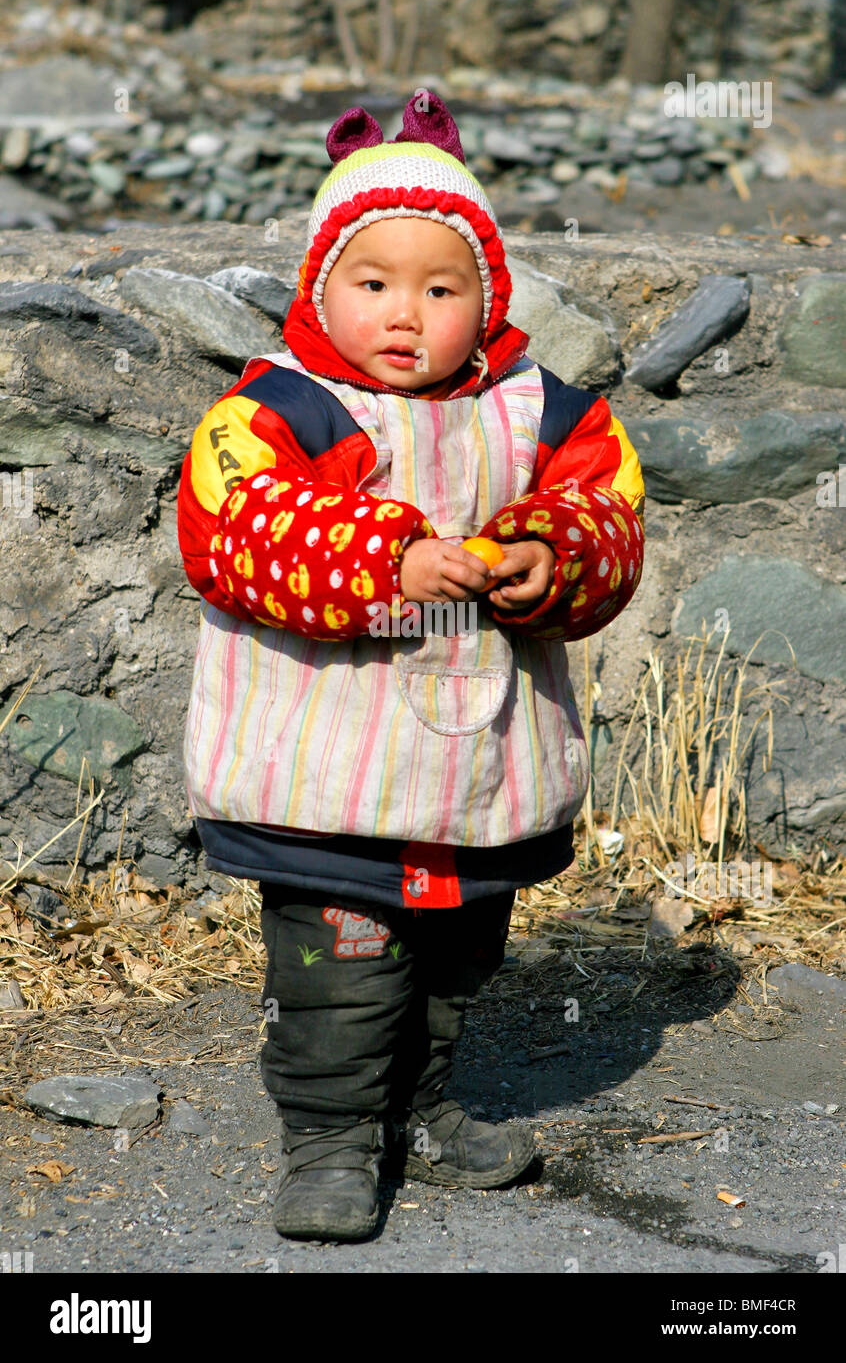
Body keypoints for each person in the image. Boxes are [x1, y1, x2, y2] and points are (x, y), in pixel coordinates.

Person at [176, 89, 645, 1242]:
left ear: (486, 301)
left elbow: (610, 507)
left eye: (441, 289)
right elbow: (235, 528)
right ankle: (331, 1138)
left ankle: (423, 1108)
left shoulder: (547, 412)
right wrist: (392, 555)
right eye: (373, 282)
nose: (405, 313)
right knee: (341, 970)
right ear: (319, 287)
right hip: (325, 767)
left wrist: (552, 554)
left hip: (477, 768)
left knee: (455, 953)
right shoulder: (276, 407)